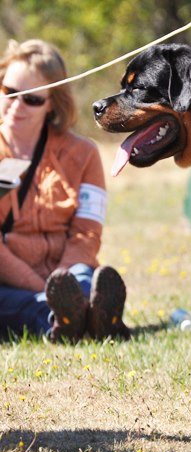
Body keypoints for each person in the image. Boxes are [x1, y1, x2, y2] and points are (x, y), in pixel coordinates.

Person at [0, 39, 129, 342]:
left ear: (52, 104)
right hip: (10, 282)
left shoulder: (84, 154)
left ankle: (77, 315)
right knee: (27, 303)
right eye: (10, 91)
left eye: (32, 99)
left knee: (84, 277)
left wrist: (64, 279)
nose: (17, 105)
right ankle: (83, 319)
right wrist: (47, 291)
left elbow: (86, 233)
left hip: (72, 273)